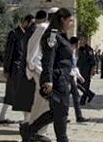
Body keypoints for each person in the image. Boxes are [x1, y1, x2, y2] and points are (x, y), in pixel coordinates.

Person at [20, 8, 75, 142]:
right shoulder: (52, 35)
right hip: (56, 78)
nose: (72, 23)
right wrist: (47, 80)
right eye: (70, 20)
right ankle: (62, 139)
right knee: (61, 111)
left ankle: (29, 130)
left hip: (63, 77)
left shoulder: (61, 35)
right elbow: (48, 59)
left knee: (57, 111)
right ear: (62, 19)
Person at [0, 14, 35, 124]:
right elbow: (9, 53)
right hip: (15, 68)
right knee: (18, 93)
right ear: (25, 22)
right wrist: (6, 69)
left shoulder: (27, 35)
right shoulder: (14, 34)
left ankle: (2, 116)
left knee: (12, 93)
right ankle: (27, 119)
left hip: (22, 68)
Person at [25, 9, 52, 141]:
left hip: (47, 70)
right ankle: (37, 130)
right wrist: (32, 65)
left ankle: (33, 128)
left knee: (41, 101)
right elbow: (33, 45)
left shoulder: (54, 31)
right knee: (43, 101)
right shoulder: (42, 27)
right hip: (40, 69)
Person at [69, 36, 88, 123]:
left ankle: (78, 116)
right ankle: (78, 116)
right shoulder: (69, 51)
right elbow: (72, 66)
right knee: (75, 96)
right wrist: (80, 76)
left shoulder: (72, 51)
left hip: (72, 76)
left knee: (73, 97)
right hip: (70, 76)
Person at [77, 37, 96, 105]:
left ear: (85, 41)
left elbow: (93, 61)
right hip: (80, 70)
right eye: (80, 41)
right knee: (77, 84)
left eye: (82, 40)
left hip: (87, 71)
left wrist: (92, 71)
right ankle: (90, 94)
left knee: (86, 86)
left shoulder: (89, 50)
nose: (80, 42)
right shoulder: (80, 49)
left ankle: (83, 100)